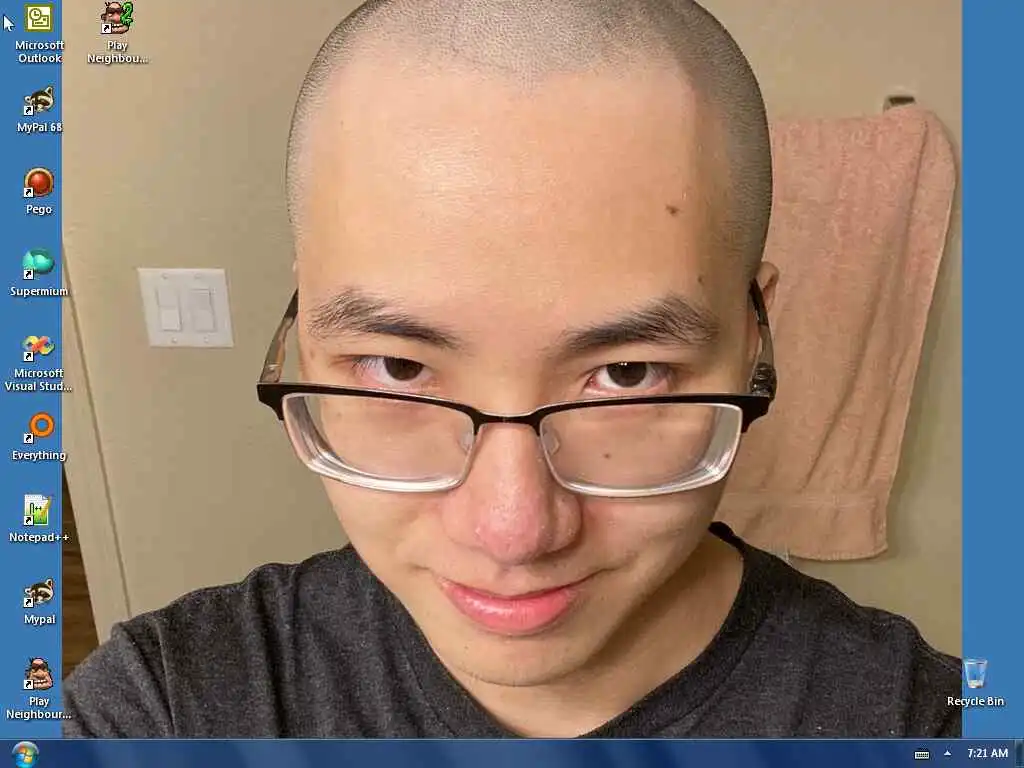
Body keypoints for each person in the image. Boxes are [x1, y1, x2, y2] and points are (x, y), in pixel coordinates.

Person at [64, 0, 961, 738]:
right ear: (304, 336)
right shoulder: (161, 706)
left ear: (756, 339)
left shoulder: (926, 723)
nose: (513, 533)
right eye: (398, 366)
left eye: (628, 374)